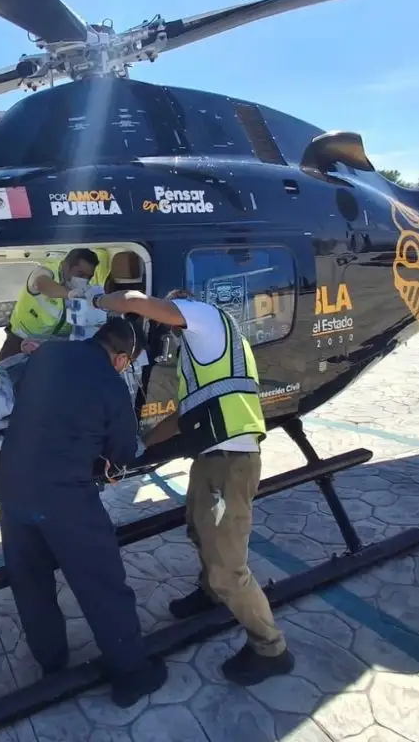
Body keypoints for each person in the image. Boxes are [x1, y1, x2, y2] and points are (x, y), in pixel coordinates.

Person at [93, 287, 296, 687]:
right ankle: (210, 593)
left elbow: (134, 301)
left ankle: (270, 649)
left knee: (228, 566)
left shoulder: (207, 318)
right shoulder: (201, 353)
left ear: (185, 304)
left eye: (172, 309)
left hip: (231, 462)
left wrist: (94, 301)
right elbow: (185, 417)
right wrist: (140, 446)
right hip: (211, 459)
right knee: (199, 531)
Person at [0, 316, 168, 707]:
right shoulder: (112, 384)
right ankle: (132, 674)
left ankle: (52, 665)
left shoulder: (48, 354)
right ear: (123, 359)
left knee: (31, 582)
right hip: (64, 497)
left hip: (12, 488)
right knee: (102, 584)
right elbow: (122, 452)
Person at [0, 248, 100, 361]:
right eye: (80, 274)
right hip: (21, 339)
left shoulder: (86, 287)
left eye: (88, 276)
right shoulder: (46, 271)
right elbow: (43, 284)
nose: (84, 280)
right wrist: (70, 294)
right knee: (10, 374)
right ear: (65, 266)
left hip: (55, 345)